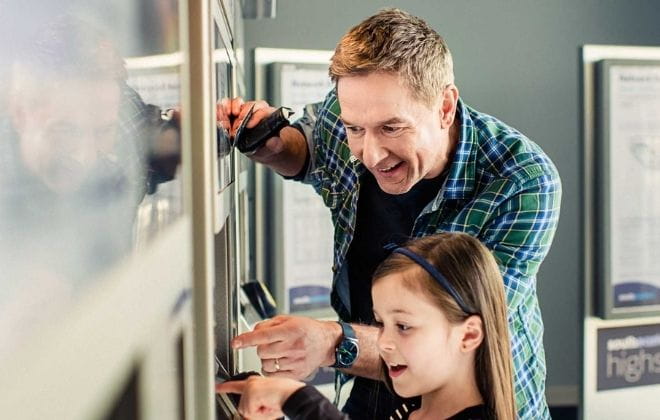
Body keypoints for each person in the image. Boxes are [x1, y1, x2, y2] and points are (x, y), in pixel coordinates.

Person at [222, 8, 561, 419]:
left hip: (470, 400)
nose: (370, 154)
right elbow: (311, 153)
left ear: (445, 107)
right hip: (378, 384)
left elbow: (462, 339)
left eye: (391, 129)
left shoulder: (522, 181)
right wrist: (270, 145)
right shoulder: (345, 115)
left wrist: (331, 344)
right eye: (355, 129)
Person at [218, 233, 516, 420]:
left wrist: (297, 399)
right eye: (380, 323)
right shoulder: (411, 409)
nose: (383, 342)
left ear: (469, 335)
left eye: (403, 326)